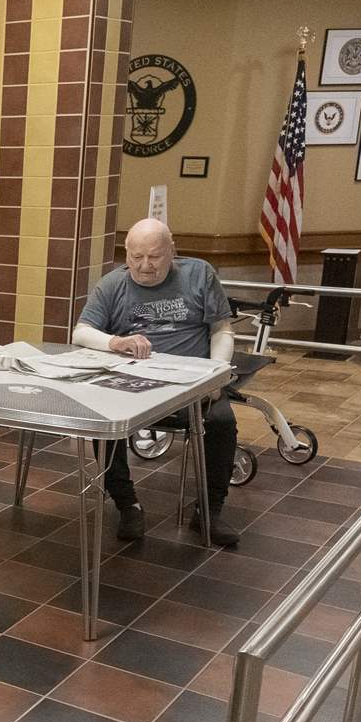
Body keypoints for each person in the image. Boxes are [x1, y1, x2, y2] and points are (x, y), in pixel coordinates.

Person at [74, 218, 241, 548]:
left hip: (189, 387)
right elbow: (80, 333)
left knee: (222, 422)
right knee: (104, 424)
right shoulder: (113, 285)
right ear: (126, 254)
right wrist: (114, 342)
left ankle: (209, 510)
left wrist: (217, 372)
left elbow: (221, 329)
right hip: (134, 385)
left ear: (172, 252)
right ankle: (127, 504)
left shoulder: (199, 274)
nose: (145, 266)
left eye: (154, 257)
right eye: (136, 257)